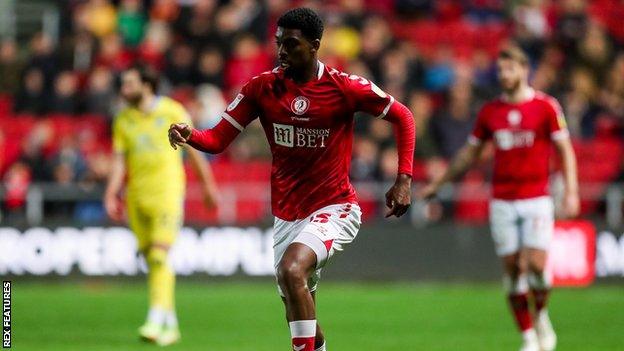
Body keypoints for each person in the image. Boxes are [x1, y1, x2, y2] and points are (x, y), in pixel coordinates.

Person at [168, 8, 415, 351]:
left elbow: (403, 116)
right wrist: (190, 134)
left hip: (335, 207)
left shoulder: (343, 87)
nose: (282, 51)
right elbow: (218, 139)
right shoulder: (262, 88)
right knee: (298, 311)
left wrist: (403, 178)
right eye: (278, 42)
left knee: (291, 269)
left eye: (291, 44)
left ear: (314, 46)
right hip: (287, 216)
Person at [419, 46, 579, 351]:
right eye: (501, 70)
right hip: (503, 199)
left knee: (535, 265)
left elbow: (565, 150)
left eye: (510, 69)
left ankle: (542, 314)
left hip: (536, 197)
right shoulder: (491, 111)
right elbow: (469, 153)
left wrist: (571, 190)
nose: (504, 75)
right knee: (512, 268)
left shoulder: (546, 107)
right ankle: (528, 336)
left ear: (524, 70)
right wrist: (439, 183)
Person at [104, 64, 218, 346]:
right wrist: (111, 193)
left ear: (147, 85)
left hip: (167, 193)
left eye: (129, 83)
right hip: (136, 197)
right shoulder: (123, 119)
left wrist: (207, 185)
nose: (124, 89)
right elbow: (120, 162)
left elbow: (193, 151)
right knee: (154, 262)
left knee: (158, 257)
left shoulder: (172, 111)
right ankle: (171, 326)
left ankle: (155, 318)